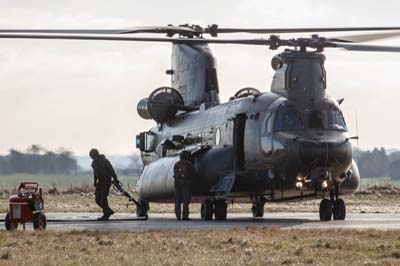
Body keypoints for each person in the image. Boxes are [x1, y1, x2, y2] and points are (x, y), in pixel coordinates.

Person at [89, 148, 119, 221]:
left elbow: (111, 170)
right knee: (97, 200)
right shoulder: (94, 163)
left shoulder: (105, 161)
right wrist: (95, 181)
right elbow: (95, 174)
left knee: (103, 199)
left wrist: (115, 179)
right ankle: (108, 211)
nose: (93, 158)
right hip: (100, 182)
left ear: (97, 155)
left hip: (106, 181)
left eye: (94, 156)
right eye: (92, 157)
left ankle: (106, 214)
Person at [173, 151, 195, 220]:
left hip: (177, 184)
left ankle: (178, 216)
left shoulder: (176, 164)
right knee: (185, 202)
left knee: (177, 201)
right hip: (186, 185)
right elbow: (193, 174)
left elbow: (175, 174)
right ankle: (185, 216)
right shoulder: (189, 164)